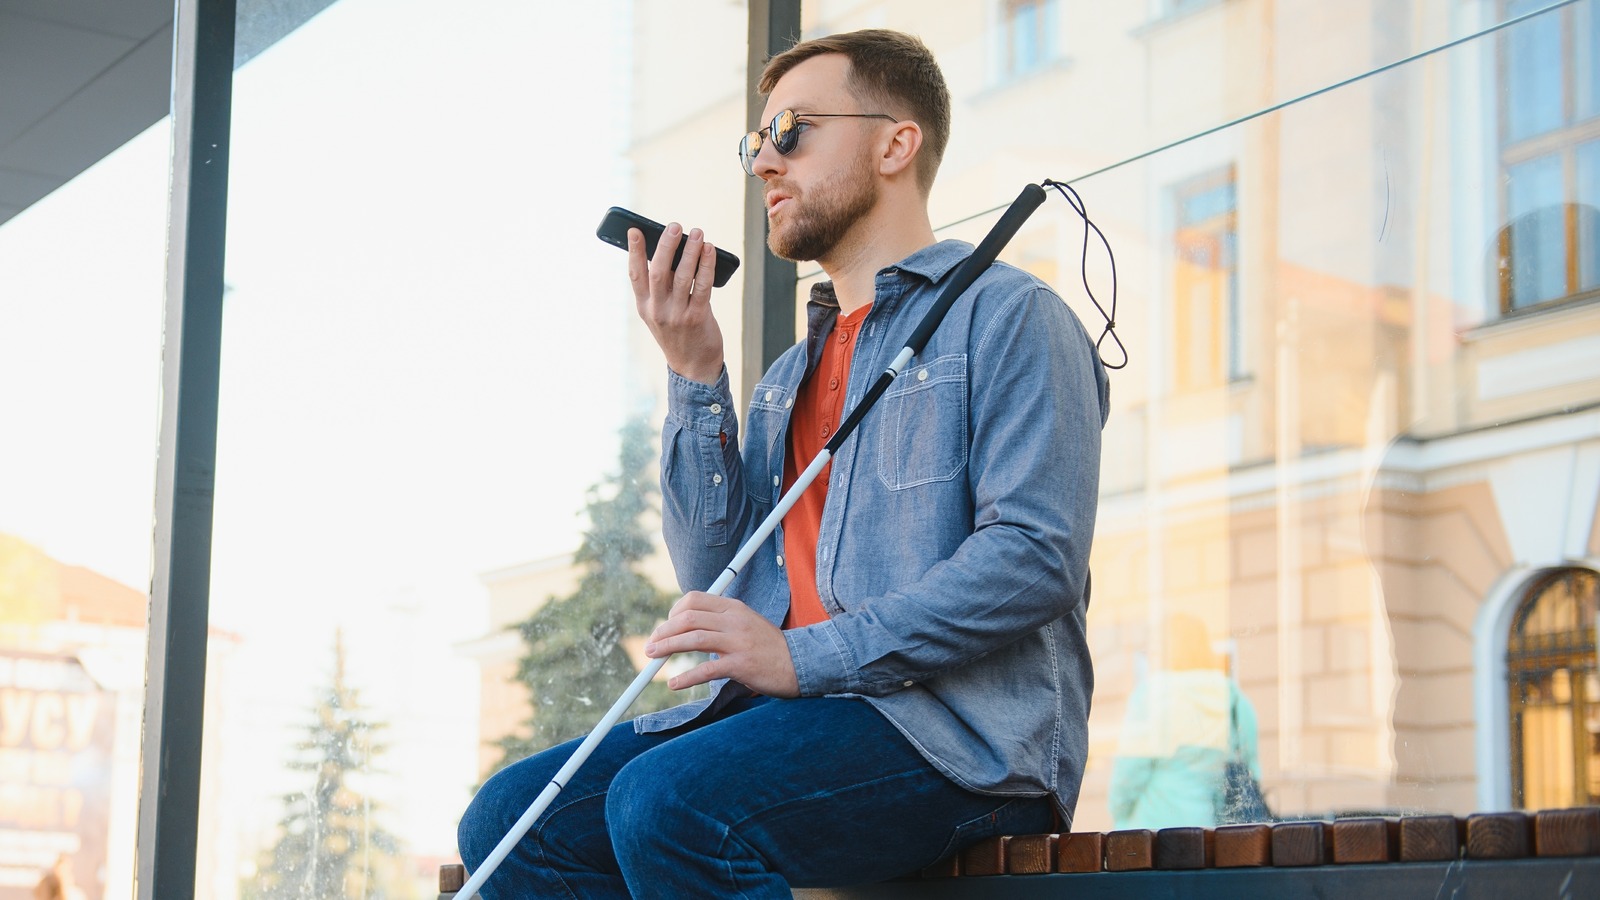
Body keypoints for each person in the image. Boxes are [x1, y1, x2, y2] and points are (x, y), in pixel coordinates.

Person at [458, 28, 1109, 898]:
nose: (765, 162)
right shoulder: (789, 379)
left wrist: (804, 659)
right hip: (793, 723)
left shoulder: (1010, 318)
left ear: (894, 144)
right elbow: (719, 575)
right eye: (755, 142)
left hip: (959, 741)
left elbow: (1035, 556)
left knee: (669, 804)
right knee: (509, 819)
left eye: (792, 130)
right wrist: (694, 372)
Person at [1107, 614, 1263, 829]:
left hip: (1151, 827)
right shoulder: (1233, 698)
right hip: (1209, 828)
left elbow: (1129, 771)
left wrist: (1119, 811)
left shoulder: (1152, 694)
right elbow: (1250, 766)